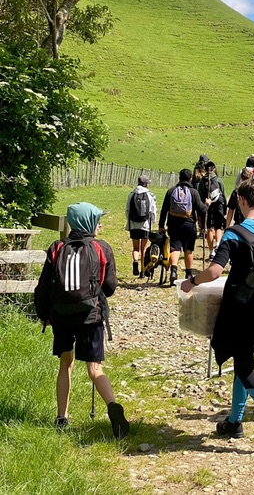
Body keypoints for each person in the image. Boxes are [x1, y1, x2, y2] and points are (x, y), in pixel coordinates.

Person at [180, 179, 254, 453]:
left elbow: (215, 271)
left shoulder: (234, 234)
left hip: (239, 309)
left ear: (242, 201)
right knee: (242, 361)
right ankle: (234, 421)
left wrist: (192, 282)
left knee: (244, 367)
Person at [33, 202, 129, 439]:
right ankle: (114, 409)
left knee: (66, 363)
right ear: (88, 223)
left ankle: (61, 418)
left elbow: (43, 287)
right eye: (98, 220)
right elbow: (110, 287)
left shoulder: (56, 248)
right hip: (91, 316)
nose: (100, 224)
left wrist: (44, 315)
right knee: (95, 369)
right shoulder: (101, 248)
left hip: (62, 316)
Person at [158, 168, 207, 285]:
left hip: (173, 224)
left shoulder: (171, 191)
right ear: (190, 178)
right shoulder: (193, 192)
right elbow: (201, 209)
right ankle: (188, 274)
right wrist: (207, 204)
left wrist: (161, 225)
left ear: (179, 178)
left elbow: (164, 209)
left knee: (175, 247)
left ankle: (173, 271)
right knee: (188, 249)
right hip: (189, 224)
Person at [125, 174, 157, 278]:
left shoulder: (131, 194)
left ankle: (135, 262)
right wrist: (153, 222)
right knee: (143, 248)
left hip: (133, 224)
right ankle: (143, 271)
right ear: (146, 183)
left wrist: (129, 221)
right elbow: (153, 211)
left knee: (135, 248)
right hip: (145, 224)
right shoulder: (149, 195)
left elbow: (127, 210)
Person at [198, 161, 227, 261]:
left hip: (207, 206)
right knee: (218, 227)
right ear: (214, 168)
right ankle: (218, 244)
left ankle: (211, 252)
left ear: (205, 170)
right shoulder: (218, 180)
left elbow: (200, 195)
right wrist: (225, 207)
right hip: (218, 205)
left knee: (209, 228)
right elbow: (223, 192)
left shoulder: (202, 181)